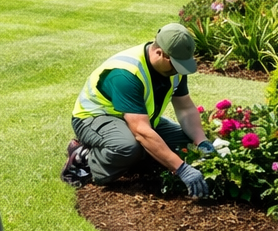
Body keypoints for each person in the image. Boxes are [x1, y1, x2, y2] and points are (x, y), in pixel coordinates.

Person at [62, 22, 213, 197]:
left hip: (137, 118)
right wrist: (181, 169)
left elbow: (185, 108)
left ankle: (131, 159)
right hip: (94, 118)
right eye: (175, 64)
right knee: (128, 147)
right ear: (159, 53)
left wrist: (202, 141)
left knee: (185, 146)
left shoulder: (174, 67)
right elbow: (141, 131)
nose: (178, 70)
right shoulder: (126, 73)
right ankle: (85, 159)